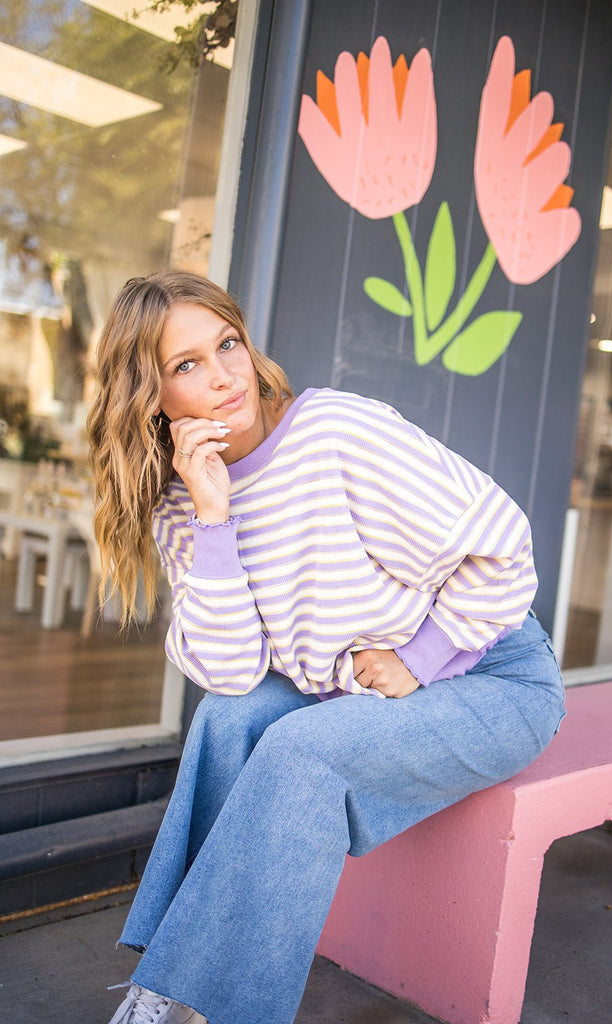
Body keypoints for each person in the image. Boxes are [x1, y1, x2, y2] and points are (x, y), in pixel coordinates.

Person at [88, 270, 566, 1024]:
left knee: (302, 751)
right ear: (152, 396)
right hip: (354, 685)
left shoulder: (336, 432)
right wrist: (215, 520)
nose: (222, 377)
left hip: (492, 677)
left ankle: (211, 1002)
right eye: (186, 366)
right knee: (225, 719)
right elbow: (233, 672)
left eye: (227, 345)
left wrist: (423, 657)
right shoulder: (185, 501)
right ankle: (171, 986)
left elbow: (504, 543)